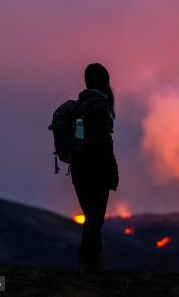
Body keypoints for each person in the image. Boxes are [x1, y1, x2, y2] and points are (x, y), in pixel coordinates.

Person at [70, 63, 119, 273]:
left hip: (78, 168)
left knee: (91, 216)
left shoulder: (79, 104)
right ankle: (89, 263)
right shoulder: (99, 106)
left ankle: (91, 262)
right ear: (105, 81)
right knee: (95, 217)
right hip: (96, 169)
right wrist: (111, 172)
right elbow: (102, 144)